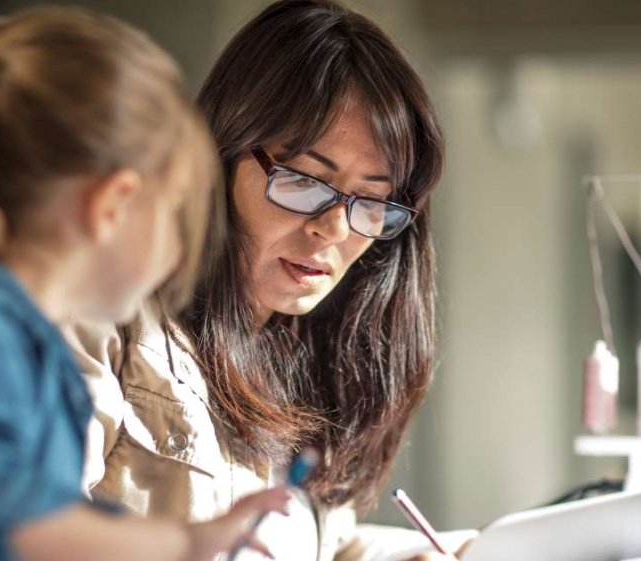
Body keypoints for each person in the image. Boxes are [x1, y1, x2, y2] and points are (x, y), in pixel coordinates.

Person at [0, 7, 290, 561]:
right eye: (177, 213)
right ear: (114, 206)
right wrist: (184, 544)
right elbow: (15, 528)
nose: (185, 252)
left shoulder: (16, 342)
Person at [66, 1, 473, 559]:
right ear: (221, 156)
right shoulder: (104, 316)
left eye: (372, 202)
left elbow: (323, 545)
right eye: (305, 182)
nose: (332, 229)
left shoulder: (307, 349)